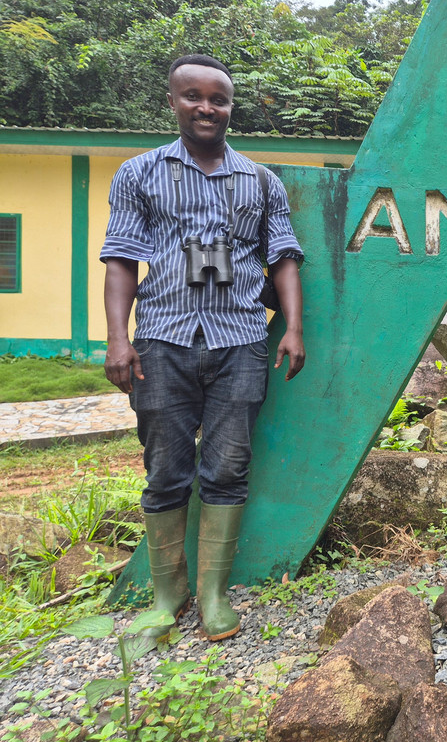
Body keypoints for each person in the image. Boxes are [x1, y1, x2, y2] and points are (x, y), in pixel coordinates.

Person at [101, 54, 306, 641]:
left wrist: (292, 328)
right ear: (173, 101)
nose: (206, 107)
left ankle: (214, 596)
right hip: (161, 341)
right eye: (194, 96)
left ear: (230, 107)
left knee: (226, 469)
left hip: (240, 341)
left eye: (218, 99)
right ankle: (169, 598)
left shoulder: (260, 182)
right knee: (165, 469)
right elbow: (120, 260)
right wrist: (118, 339)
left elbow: (285, 258)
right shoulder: (138, 174)